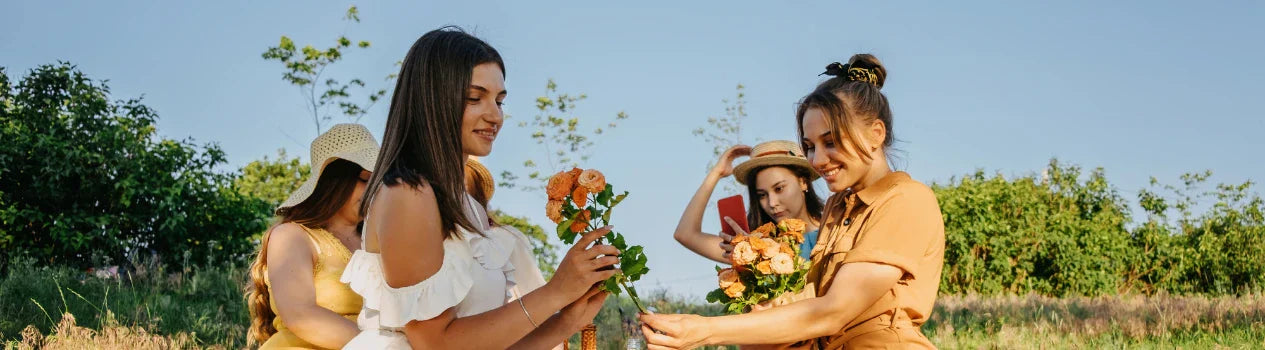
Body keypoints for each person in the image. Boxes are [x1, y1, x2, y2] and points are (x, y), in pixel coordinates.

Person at [642, 54, 946, 349]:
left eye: (830, 142)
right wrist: (765, 307)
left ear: (875, 133)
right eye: (810, 146)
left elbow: (833, 311)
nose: (818, 159)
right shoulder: (837, 208)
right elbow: (813, 301)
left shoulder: (907, 200)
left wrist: (703, 330)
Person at [341, 27, 617, 349]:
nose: (495, 116)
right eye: (475, 98)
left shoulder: (464, 203)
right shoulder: (408, 193)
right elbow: (435, 343)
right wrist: (554, 291)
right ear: (432, 100)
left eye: (499, 101)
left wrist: (567, 319)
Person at [245, 123, 379, 349]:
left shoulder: (377, 244)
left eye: (379, 182)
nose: (374, 190)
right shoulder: (292, 236)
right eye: (366, 179)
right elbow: (300, 315)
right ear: (335, 182)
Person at [673, 140, 824, 264]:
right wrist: (717, 173)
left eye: (779, 189)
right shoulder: (756, 247)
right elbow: (685, 234)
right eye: (762, 195)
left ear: (803, 182)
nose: (771, 203)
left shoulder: (834, 231)